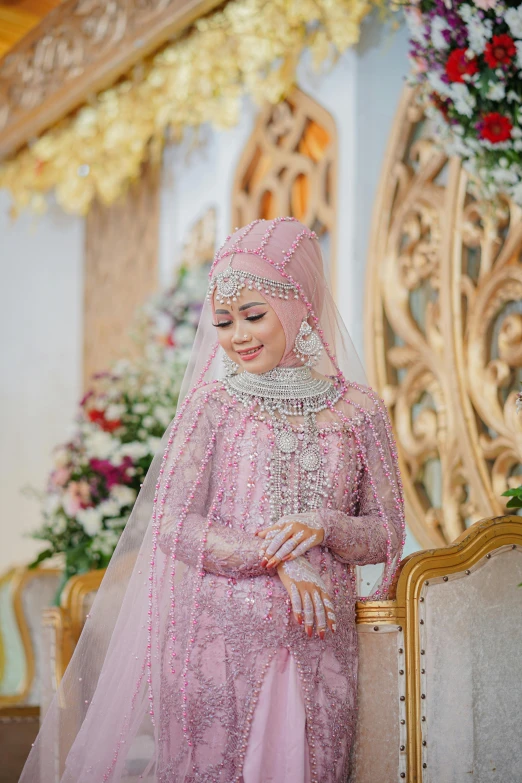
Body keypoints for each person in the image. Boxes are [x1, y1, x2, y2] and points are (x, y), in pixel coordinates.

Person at [20, 217, 404, 783]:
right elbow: (172, 524)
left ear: (300, 306)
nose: (237, 336)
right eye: (223, 321)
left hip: (319, 646)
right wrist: (276, 553)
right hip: (219, 646)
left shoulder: (358, 412)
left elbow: (387, 534)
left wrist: (320, 526)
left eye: (254, 316)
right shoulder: (213, 407)